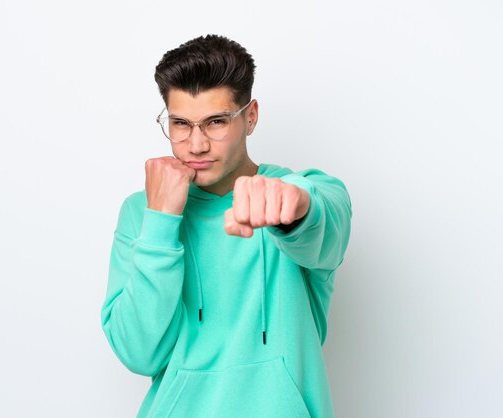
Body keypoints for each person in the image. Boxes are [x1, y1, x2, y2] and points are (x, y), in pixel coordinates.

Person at [100, 34, 352, 418]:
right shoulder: (142, 212)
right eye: (181, 124)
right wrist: (161, 222)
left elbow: (322, 221)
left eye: (216, 122)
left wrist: (294, 209)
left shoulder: (303, 191)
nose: (196, 145)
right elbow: (139, 353)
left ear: (250, 117)